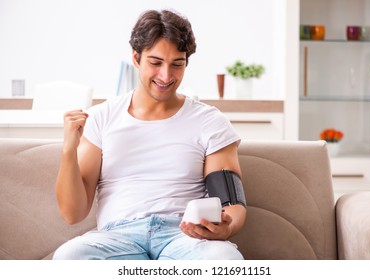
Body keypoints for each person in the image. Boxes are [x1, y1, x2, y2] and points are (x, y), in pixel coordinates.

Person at [53, 9, 246, 260]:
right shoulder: (101, 118)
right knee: (69, 257)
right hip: (117, 238)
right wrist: (68, 150)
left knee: (224, 259)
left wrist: (226, 227)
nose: (166, 76)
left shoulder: (210, 122)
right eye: (155, 63)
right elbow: (73, 214)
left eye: (177, 64)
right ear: (136, 58)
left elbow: (231, 204)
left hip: (185, 238)